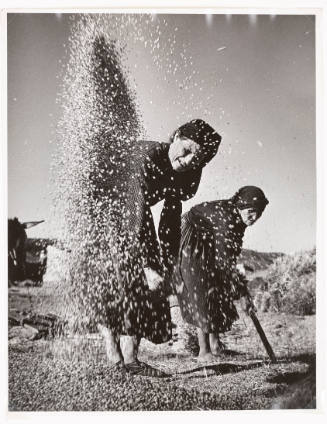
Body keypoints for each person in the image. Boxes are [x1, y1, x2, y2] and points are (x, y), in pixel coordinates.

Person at [99, 119, 222, 376]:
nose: (189, 161)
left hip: (135, 215)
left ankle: (131, 360)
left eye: (197, 160)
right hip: (106, 209)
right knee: (118, 277)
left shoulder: (190, 174)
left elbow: (170, 216)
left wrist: (167, 262)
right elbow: (138, 210)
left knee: (153, 279)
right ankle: (114, 357)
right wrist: (146, 265)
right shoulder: (147, 157)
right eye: (187, 150)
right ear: (176, 136)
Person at [172, 186, 269, 362]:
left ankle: (216, 346)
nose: (254, 218)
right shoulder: (226, 219)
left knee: (218, 286)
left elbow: (230, 256)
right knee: (200, 289)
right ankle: (204, 351)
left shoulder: (238, 219)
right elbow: (225, 262)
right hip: (190, 236)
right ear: (241, 206)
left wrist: (240, 290)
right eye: (251, 212)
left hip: (209, 240)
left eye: (259, 213)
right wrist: (243, 295)